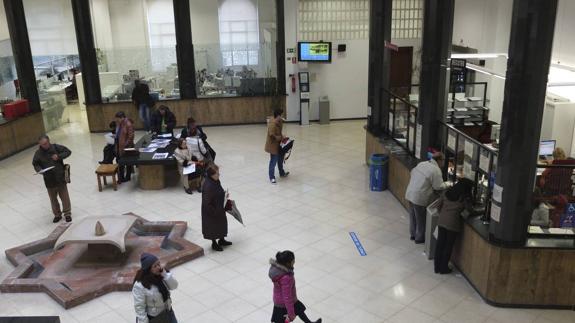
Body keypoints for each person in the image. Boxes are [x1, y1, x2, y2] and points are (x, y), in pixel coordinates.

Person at [405, 152, 448, 244]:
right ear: (439, 160)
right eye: (444, 160)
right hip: (419, 197)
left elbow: (412, 172)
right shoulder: (436, 170)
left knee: (413, 216)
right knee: (420, 219)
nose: (444, 162)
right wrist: (449, 183)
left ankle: (413, 234)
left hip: (410, 192)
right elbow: (438, 186)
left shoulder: (422, 164)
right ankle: (419, 238)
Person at [433, 178, 474, 274]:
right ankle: (443, 268)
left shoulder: (447, 192)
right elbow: (471, 211)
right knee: (448, 246)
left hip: (442, 221)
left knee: (440, 244)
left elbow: (438, 206)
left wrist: (443, 214)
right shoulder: (464, 198)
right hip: (453, 224)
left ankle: (436, 267)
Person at [269, 251, 322, 323]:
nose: (294, 261)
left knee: (299, 310)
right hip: (284, 303)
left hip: (280, 299)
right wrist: (291, 313)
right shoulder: (286, 277)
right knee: (282, 320)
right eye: (293, 260)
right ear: (288, 263)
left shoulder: (278, 271)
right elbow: (286, 297)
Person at [32, 135, 72, 223]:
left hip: (60, 177)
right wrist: (39, 170)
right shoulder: (38, 153)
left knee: (65, 197)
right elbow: (35, 163)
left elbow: (68, 151)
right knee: (53, 199)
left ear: (49, 141)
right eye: (42, 145)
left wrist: (58, 156)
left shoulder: (56, 147)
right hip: (49, 179)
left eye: (45, 143)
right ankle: (57, 215)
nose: (44, 146)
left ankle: (67, 213)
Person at [133, 253, 178, 323]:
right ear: (148, 269)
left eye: (158, 264)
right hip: (155, 318)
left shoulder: (162, 275)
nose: (158, 267)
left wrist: (165, 275)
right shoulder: (140, 285)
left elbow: (174, 286)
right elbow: (139, 307)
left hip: (168, 312)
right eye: (155, 266)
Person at [202, 164, 231, 251]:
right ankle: (214, 243)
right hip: (212, 211)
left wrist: (224, 194)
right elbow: (207, 203)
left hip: (219, 207)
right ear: (211, 175)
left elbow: (219, 190)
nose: (219, 175)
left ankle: (221, 240)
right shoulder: (208, 186)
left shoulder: (216, 180)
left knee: (221, 224)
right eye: (217, 174)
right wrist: (214, 212)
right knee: (213, 227)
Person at [265, 108, 289, 184]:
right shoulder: (272, 124)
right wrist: (281, 137)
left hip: (279, 144)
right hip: (272, 145)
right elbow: (272, 136)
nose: (283, 116)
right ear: (278, 115)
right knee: (273, 161)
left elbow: (279, 132)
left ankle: (281, 173)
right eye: (282, 115)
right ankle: (272, 177)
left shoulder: (279, 121)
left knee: (280, 159)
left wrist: (282, 137)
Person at [115, 111, 135, 183]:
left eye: (118, 119)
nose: (117, 121)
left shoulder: (128, 124)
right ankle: (121, 177)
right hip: (119, 145)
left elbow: (131, 137)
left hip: (126, 147)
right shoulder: (119, 123)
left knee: (127, 162)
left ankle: (127, 177)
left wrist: (126, 145)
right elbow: (118, 133)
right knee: (120, 162)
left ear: (122, 118)